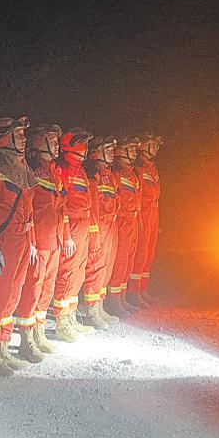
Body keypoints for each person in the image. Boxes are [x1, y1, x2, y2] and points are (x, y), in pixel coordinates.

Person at [0, 116, 39, 375]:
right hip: (5, 241)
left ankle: (3, 344)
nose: (23, 139)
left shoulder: (22, 167)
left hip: (22, 240)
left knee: (13, 295)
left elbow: (29, 209)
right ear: (5, 138)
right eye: (18, 134)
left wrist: (32, 241)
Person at [13, 125, 66, 358]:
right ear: (39, 143)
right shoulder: (34, 171)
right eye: (51, 140)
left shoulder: (54, 171)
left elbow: (61, 207)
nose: (56, 145)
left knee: (47, 287)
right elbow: (29, 209)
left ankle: (39, 331)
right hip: (40, 241)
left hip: (54, 239)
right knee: (33, 288)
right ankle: (26, 338)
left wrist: (64, 237)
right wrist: (32, 241)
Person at [50, 128, 97, 342]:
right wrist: (67, 235)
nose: (84, 148)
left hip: (83, 224)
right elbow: (62, 206)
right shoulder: (63, 169)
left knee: (78, 273)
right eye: (81, 144)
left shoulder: (79, 169)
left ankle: (71, 317)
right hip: (73, 225)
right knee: (67, 273)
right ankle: (62, 323)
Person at [80, 136, 121, 327]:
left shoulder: (108, 174)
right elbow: (94, 208)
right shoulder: (93, 176)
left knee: (106, 267)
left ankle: (100, 306)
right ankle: (91, 310)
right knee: (95, 268)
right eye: (107, 150)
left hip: (110, 226)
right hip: (101, 226)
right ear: (97, 154)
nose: (112, 154)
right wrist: (94, 234)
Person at [104, 136, 142, 317]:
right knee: (120, 261)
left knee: (128, 261)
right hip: (122, 222)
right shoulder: (116, 174)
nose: (134, 153)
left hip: (132, 221)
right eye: (131, 149)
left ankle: (122, 297)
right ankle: (113, 300)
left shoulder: (132, 174)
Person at [128, 133, 162, 307]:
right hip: (143, 213)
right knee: (140, 253)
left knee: (149, 252)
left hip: (153, 213)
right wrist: (140, 218)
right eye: (153, 145)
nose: (156, 149)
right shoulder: (138, 169)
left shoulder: (152, 168)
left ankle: (142, 289)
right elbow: (138, 196)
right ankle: (133, 292)